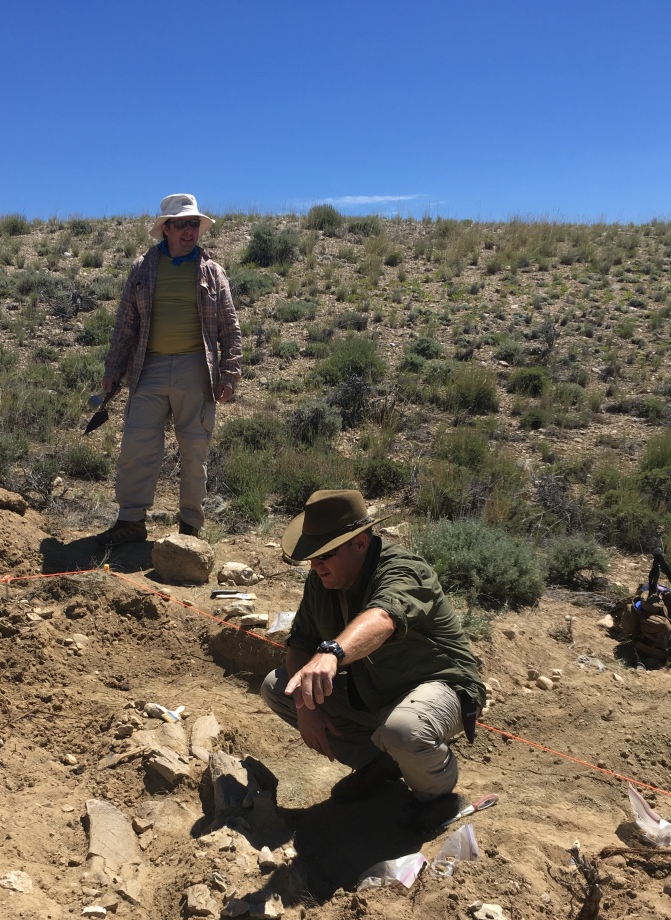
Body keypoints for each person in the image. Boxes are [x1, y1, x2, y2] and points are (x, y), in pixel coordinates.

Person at [261, 489, 486, 819]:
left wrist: (333, 652)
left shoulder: (404, 570)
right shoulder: (321, 580)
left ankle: (437, 796)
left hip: (440, 687)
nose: (316, 564)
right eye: (312, 555)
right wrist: (304, 704)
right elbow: (301, 642)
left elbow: (383, 618)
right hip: (372, 691)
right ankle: (380, 764)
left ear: (360, 544)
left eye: (325, 554)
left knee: (404, 730)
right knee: (280, 687)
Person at [96, 194, 242, 544]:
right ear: (166, 229)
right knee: (137, 445)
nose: (189, 230)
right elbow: (125, 324)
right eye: (181, 224)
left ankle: (190, 527)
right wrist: (112, 370)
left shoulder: (212, 271)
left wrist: (230, 374)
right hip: (149, 366)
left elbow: (230, 327)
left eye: (194, 224)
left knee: (194, 448)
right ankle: (131, 520)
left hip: (196, 367)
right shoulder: (143, 268)